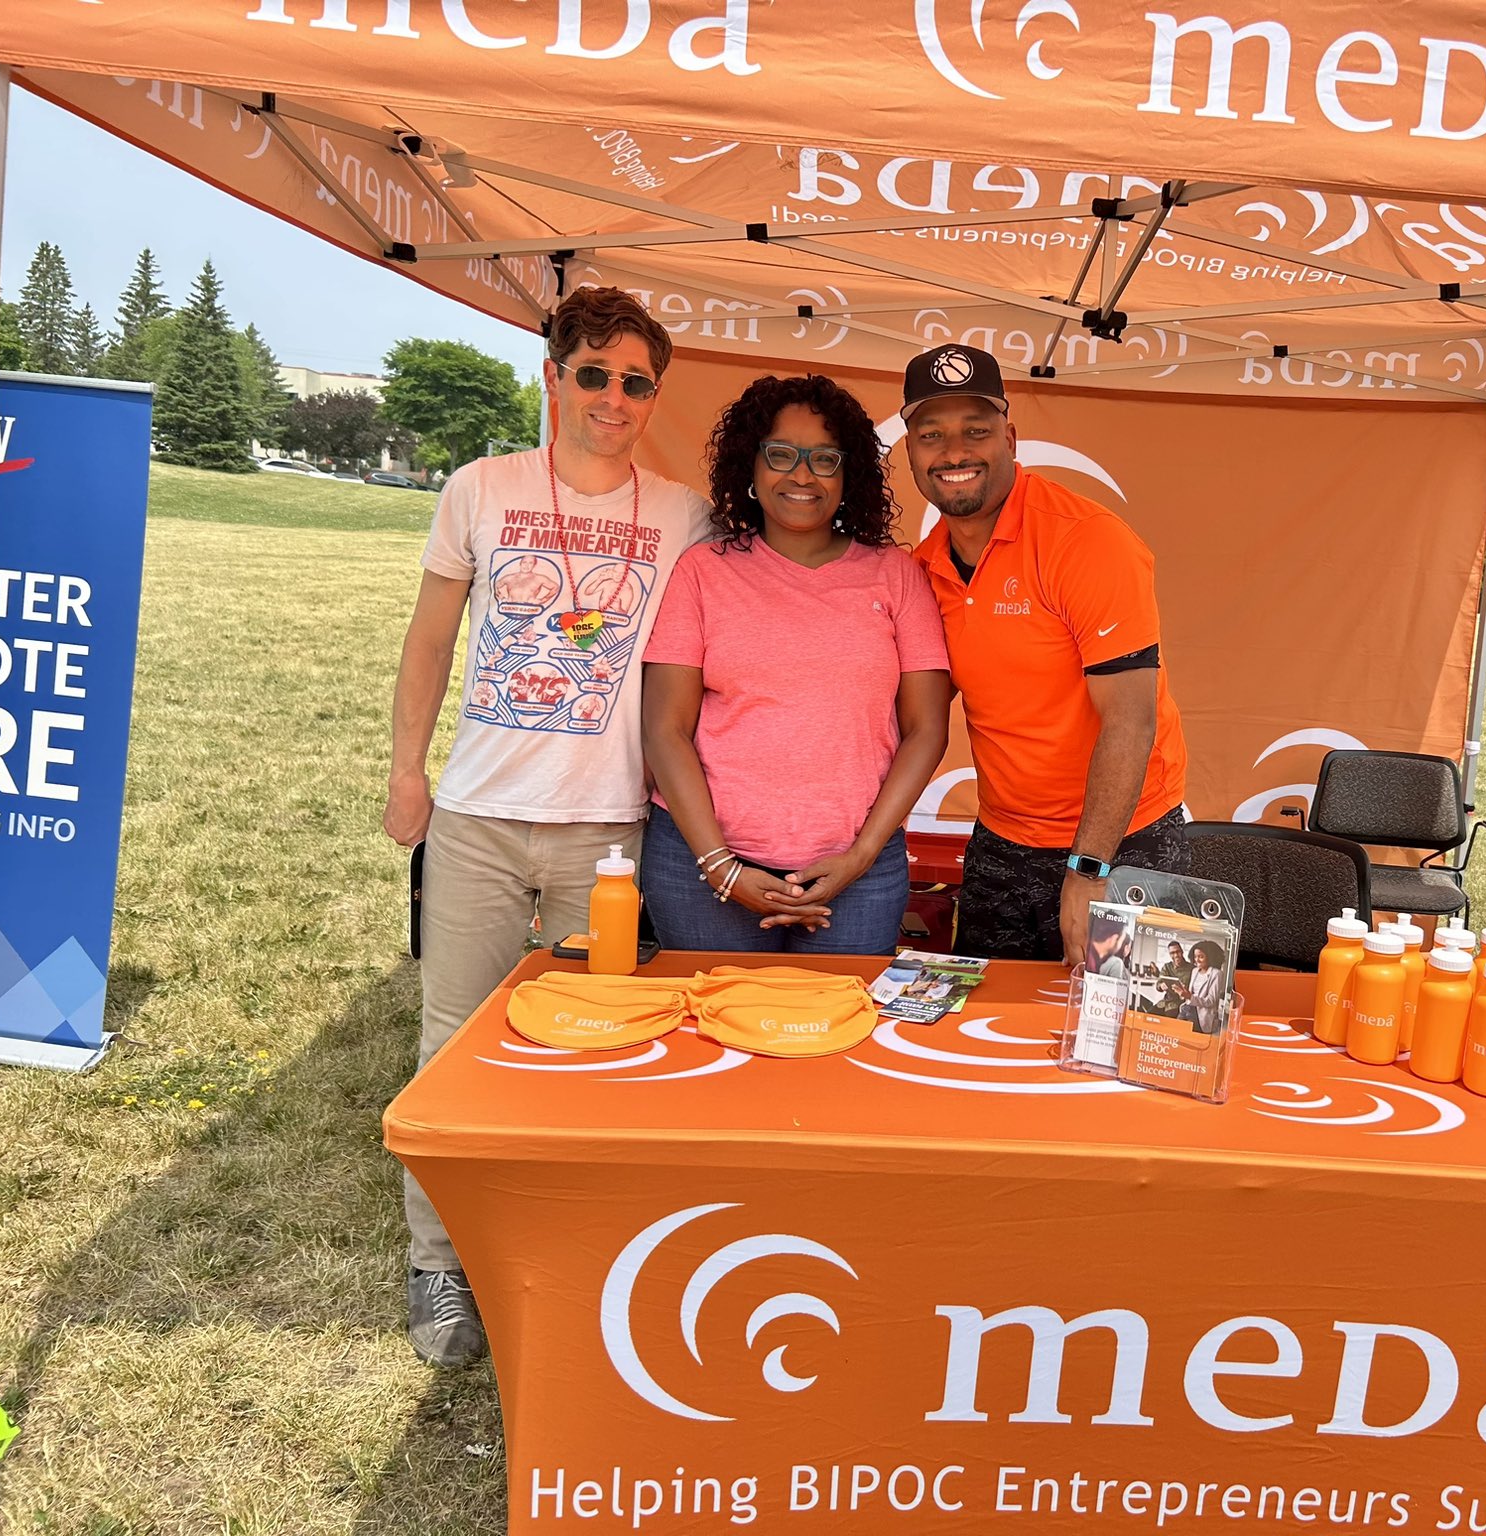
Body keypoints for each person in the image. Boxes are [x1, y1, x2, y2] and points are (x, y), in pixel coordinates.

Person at [381, 286, 709, 1367]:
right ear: (552, 376)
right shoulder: (481, 488)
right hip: (476, 818)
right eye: (593, 375)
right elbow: (428, 645)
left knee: (601, 1046)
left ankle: (575, 1251)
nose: (612, 399)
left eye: (634, 382)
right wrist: (405, 775)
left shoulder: (681, 513)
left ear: (652, 395)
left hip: (609, 831)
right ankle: (439, 1263)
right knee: (451, 1044)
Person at [640, 374, 951, 952]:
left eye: (824, 460)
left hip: (858, 874)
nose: (801, 475)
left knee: (838, 1037)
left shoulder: (896, 576)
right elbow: (665, 730)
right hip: (701, 869)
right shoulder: (703, 571)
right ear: (751, 469)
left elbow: (927, 730)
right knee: (708, 1035)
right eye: (780, 455)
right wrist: (720, 866)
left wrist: (860, 857)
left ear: (849, 474)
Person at [904, 343, 1189, 965]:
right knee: (983, 1031)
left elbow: (1130, 720)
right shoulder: (923, 566)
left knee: (1117, 1038)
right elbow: (911, 722)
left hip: (1124, 840)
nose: (954, 452)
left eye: (975, 430)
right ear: (910, 452)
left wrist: (1089, 871)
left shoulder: (1086, 542)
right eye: (932, 435)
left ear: (1010, 437)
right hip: (1002, 840)